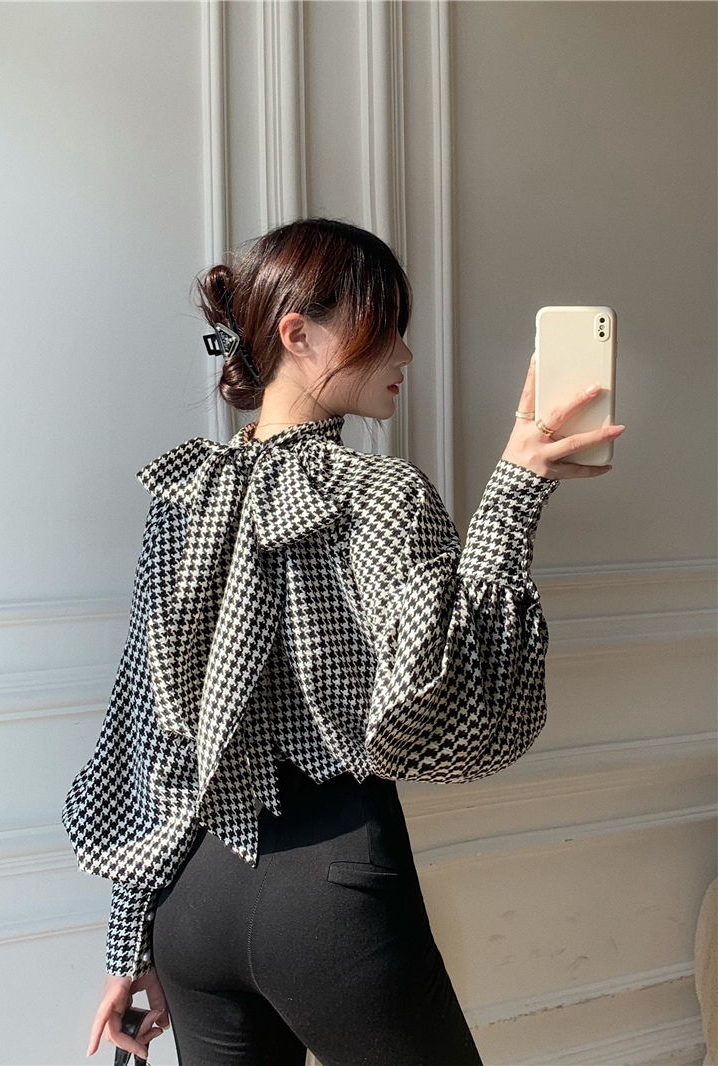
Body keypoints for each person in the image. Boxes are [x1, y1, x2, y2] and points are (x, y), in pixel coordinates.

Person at [65, 218, 626, 1065]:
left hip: (191, 905)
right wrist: (516, 491)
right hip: (329, 897)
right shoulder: (381, 493)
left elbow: (151, 741)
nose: (404, 353)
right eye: (384, 326)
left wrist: (127, 944)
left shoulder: (181, 497)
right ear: (298, 334)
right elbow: (443, 704)